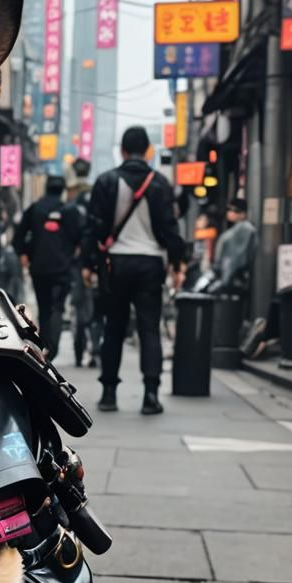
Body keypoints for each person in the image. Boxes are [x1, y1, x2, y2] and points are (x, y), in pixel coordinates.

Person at [83, 126, 187, 415]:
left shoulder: (106, 181)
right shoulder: (160, 184)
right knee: (149, 328)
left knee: (113, 327)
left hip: (116, 263)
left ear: (123, 151)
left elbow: (93, 229)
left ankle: (108, 393)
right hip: (151, 263)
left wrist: (89, 265)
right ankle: (151, 394)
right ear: (148, 151)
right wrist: (178, 263)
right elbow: (170, 230)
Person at [14, 174, 83, 358]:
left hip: (40, 268)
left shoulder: (35, 209)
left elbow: (18, 236)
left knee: (44, 307)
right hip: (63, 268)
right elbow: (82, 237)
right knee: (58, 306)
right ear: (62, 191)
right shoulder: (70, 211)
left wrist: (24, 254)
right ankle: (53, 345)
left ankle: (46, 345)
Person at [67, 163, 103, 367]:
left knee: (80, 308)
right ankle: (96, 348)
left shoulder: (72, 205)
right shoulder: (97, 198)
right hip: (97, 262)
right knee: (98, 310)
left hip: (78, 265)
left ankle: (81, 350)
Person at [213, 198, 258, 297]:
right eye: (229, 210)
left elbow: (236, 258)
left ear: (243, 214)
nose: (230, 213)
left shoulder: (244, 229)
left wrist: (226, 278)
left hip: (235, 279)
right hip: (234, 279)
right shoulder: (239, 229)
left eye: (234, 210)